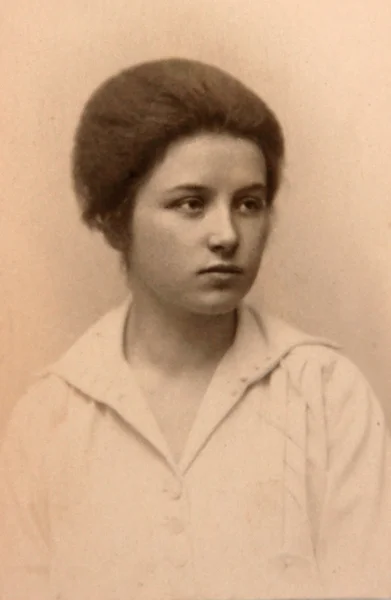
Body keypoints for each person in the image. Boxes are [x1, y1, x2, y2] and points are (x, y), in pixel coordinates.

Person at [1, 57, 390, 600]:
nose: (227, 234)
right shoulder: (50, 417)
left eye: (249, 204)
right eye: (191, 204)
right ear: (118, 220)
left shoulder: (326, 395)